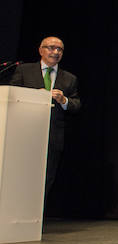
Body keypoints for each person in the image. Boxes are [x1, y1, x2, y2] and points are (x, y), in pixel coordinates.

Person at [10, 36, 81, 200]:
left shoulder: (69, 78)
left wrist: (64, 100)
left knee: (46, 179)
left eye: (59, 49)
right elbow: (12, 95)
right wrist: (35, 95)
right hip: (24, 134)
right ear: (41, 50)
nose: (55, 52)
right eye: (51, 48)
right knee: (21, 176)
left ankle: (36, 218)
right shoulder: (24, 70)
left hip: (52, 137)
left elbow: (76, 105)